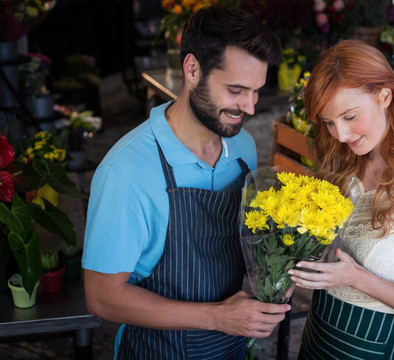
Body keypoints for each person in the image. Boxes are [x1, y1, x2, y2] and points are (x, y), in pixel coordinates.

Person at [82, 5, 290, 359]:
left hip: (232, 347)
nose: (251, 108)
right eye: (236, 90)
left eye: (256, 91)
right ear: (192, 68)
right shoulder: (125, 172)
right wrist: (217, 317)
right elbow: (103, 297)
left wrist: (272, 273)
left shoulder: (243, 145)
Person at [287, 39, 394, 359]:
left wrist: (357, 278)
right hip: (319, 334)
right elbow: (326, 244)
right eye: (329, 122)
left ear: (385, 96)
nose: (340, 134)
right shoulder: (347, 159)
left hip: (373, 346)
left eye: (350, 116)